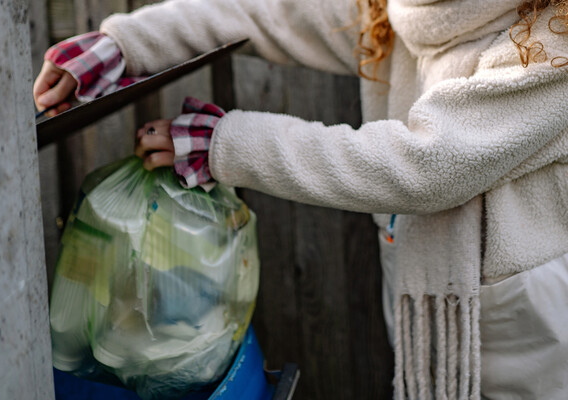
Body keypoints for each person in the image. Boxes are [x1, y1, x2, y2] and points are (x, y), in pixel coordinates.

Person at [33, 0, 568, 398]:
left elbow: (427, 165)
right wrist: (126, 43)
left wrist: (231, 145)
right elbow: (272, 12)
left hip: (532, 322)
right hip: (426, 289)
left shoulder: (553, 38)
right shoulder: (404, 10)